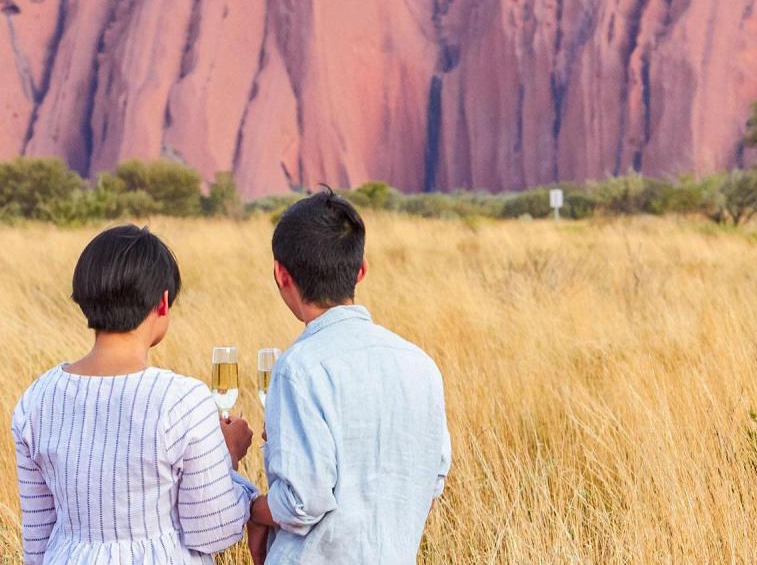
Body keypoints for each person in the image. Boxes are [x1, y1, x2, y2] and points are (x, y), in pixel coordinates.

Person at [12, 225, 257, 564]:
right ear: (163, 302)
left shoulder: (35, 400)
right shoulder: (182, 400)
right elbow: (213, 531)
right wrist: (227, 454)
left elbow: (37, 541)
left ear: (82, 297)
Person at [246, 189, 451, 564]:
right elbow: (432, 480)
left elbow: (302, 501)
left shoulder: (299, 368)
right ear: (361, 269)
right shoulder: (421, 366)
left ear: (281, 274)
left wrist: (256, 511)